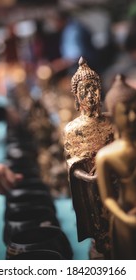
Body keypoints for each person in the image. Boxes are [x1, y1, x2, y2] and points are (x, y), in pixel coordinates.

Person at [63, 57, 114, 258]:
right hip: (93, 187)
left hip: (115, 181)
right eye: (85, 90)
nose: (90, 94)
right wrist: (91, 178)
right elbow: (72, 166)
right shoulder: (72, 130)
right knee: (100, 226)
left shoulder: (111, 121)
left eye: (94, 88)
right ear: (76, 96)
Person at [96, 74, 136, 259]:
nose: (133, 116)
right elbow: (108, 198)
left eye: (135, 109)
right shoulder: (106, 156)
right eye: (126, 111)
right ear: (113, 117)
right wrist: (126, 218)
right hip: (126, 217)